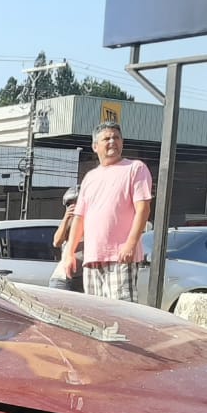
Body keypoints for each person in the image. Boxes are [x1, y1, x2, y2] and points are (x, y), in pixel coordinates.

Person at [58, 121, 152, 301]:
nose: (112, 142)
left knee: (122, 315)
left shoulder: (135, 168)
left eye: (116, 137)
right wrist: (69, 254)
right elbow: (79, 218)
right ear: (95, 146)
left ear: (122, 143)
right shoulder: (90, 178)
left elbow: (143, 209)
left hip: (121, 257)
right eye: (106, 138)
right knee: (97, 318)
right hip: (92, 258)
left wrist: (130, 245)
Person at [49, 185, 84, 292]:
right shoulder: (68, 223)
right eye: (69, 204)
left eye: (77, 202)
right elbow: (57, 242)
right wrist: (66, 218)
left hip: (82, 277)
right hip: (63, 277)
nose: (73, 206)